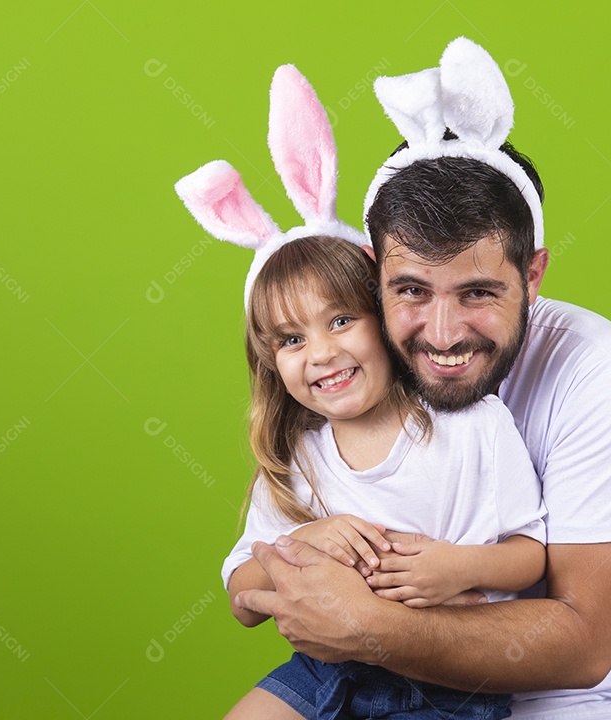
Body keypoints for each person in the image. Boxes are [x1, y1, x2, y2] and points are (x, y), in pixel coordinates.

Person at [231, 38, 611, 720]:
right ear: (371, 272)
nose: (444, 334)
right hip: (368, 686)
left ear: (532, 274)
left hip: (595, 702)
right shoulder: (347, 378)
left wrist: (366, 624)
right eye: (413, 290)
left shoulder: (602, 370)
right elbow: (254, 578)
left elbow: (585, 643)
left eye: (479, 291)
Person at [176, 64, 546, 720]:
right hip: (328, 669)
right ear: (270, 361)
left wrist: (458, 569)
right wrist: (299, 547)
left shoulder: (474, 427)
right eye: (290, 340)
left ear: (385, 315)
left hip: (447, 682)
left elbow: (531, 556)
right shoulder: (298, 462)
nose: (321, 353)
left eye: (340, 321)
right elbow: (242, 598)